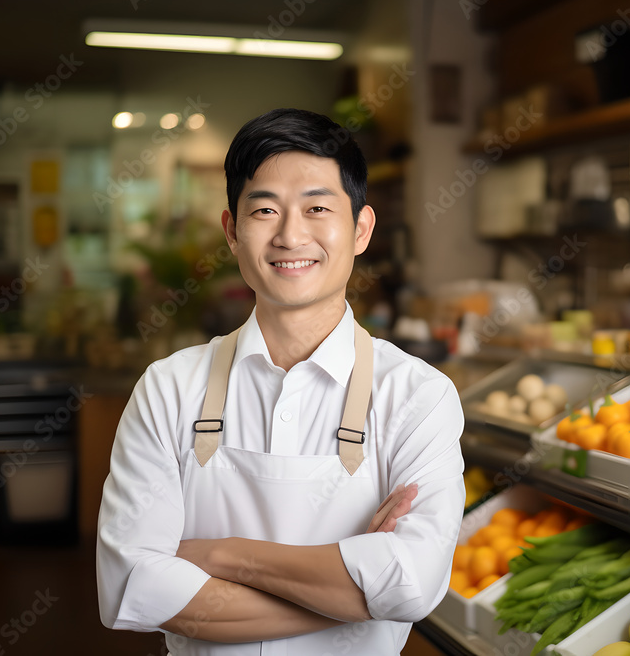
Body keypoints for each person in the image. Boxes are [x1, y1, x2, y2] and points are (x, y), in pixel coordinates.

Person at [96, 108, 466, 655]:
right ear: (232, 232)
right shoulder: (168, 388)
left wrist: (220, 555)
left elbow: (412, 582)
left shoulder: (417, 396)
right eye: (265, 209)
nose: (291, 235)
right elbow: (132, 588)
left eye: (317, 207)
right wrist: (357, 601)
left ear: (361, 229)